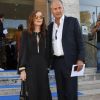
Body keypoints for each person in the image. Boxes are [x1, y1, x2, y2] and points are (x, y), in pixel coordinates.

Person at [48, 0, 85, 100]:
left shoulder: (72, 21)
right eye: (55, 9)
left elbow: (80, 43)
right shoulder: (50, 26)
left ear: (63, 8)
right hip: (57, 63)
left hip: (71, 62)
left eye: (59, 7)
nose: (58, 10)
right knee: (61, 92)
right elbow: (48, 47)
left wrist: (80, 59)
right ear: (52, 11)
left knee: (71, 93)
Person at [18, 10, 52, 100]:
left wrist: (48, 66)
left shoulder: (46, 33)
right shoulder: (25, 33)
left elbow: (49, 51)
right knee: (32, 93)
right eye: (36, 17)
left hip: (42, 69)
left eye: (41, 17)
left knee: (44, 93)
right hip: (30, 68)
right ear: (32, 19)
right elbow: (22, 51)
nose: (39, 19)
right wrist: (22, 70)